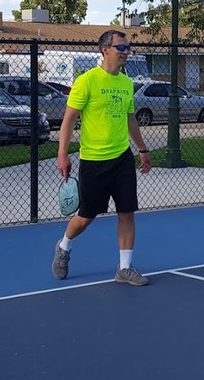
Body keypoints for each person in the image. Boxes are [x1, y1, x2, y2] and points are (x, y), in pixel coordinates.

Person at [51, 30, 153, 285]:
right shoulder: (86, 81)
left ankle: (125, 268)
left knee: (127, 213)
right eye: (121, 47)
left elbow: (130, 119)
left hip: (122, 159)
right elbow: (68, 120)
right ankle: (64, 246)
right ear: (105, 49)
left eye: (128, 48)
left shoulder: (126, 83)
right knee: (86, 217)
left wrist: (142, 149)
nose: (126, 52)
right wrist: (62, 154)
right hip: (93, 161)